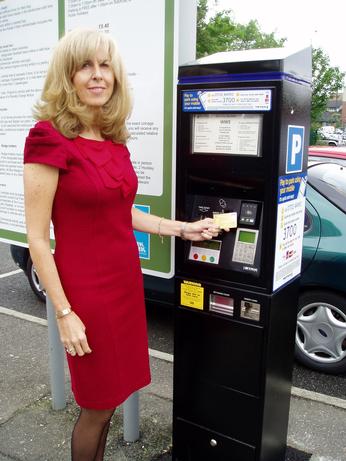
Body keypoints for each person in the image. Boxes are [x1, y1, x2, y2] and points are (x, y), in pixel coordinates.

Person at [23, 28, 219, 461]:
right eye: (85, 66)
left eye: (105, 65)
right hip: (85, 295)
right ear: (67, 76)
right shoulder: (47, 137)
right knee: (95, 407)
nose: (97, 75)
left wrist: (180, 228)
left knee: (111, 400)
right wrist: (64, 314)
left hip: (124, 283)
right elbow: (37, 238)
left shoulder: (113, 139)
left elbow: (121, 210)